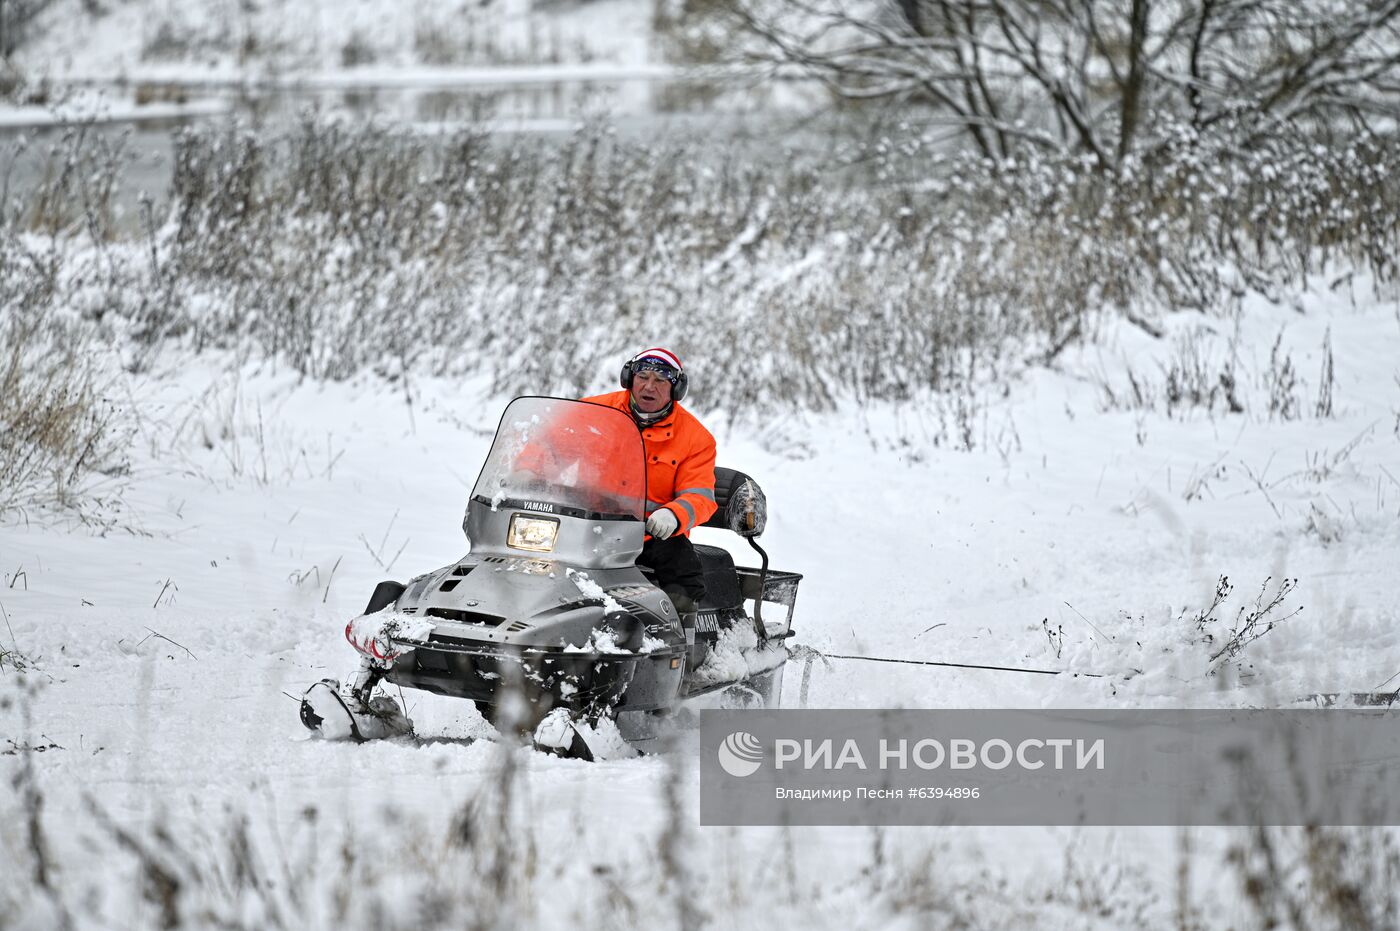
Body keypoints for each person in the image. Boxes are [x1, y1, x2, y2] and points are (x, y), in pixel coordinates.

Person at [583, 348, 717, 621]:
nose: (649, 386)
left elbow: (700, 495)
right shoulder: (593, 411)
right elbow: (545, 442)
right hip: (587, 524)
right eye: (642, 377)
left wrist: (673, 514)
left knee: (684, 574)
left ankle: (683, 648)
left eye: (660, 381)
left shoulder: (696, 438)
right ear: (629, 379)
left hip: (649, 535)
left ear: (676, 389)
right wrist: (525, 472)